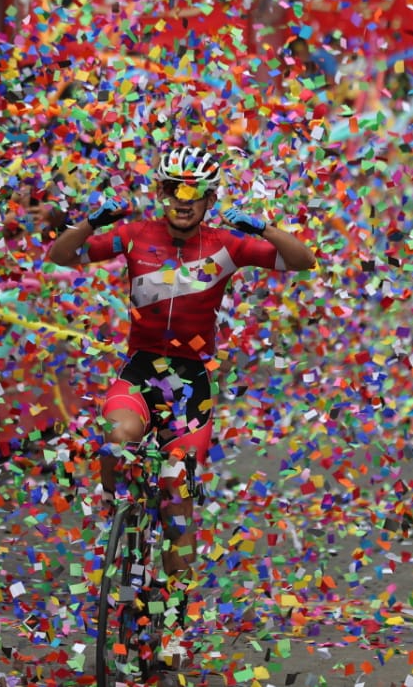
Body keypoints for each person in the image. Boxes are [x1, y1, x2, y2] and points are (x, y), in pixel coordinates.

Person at [46, 144, 315, 663]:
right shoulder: (134, 234)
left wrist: (261, 229)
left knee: (177, 505)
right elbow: (61, 255)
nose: (182, 199)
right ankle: (121, 520)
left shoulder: (227, 245)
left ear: (210, 197)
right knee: (117, 439)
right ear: (161, 192)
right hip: (141, 370)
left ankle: (170, 621)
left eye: (194, 190)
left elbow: (302, 261)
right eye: (173, 188)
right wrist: (88, 223)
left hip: (190, 385)